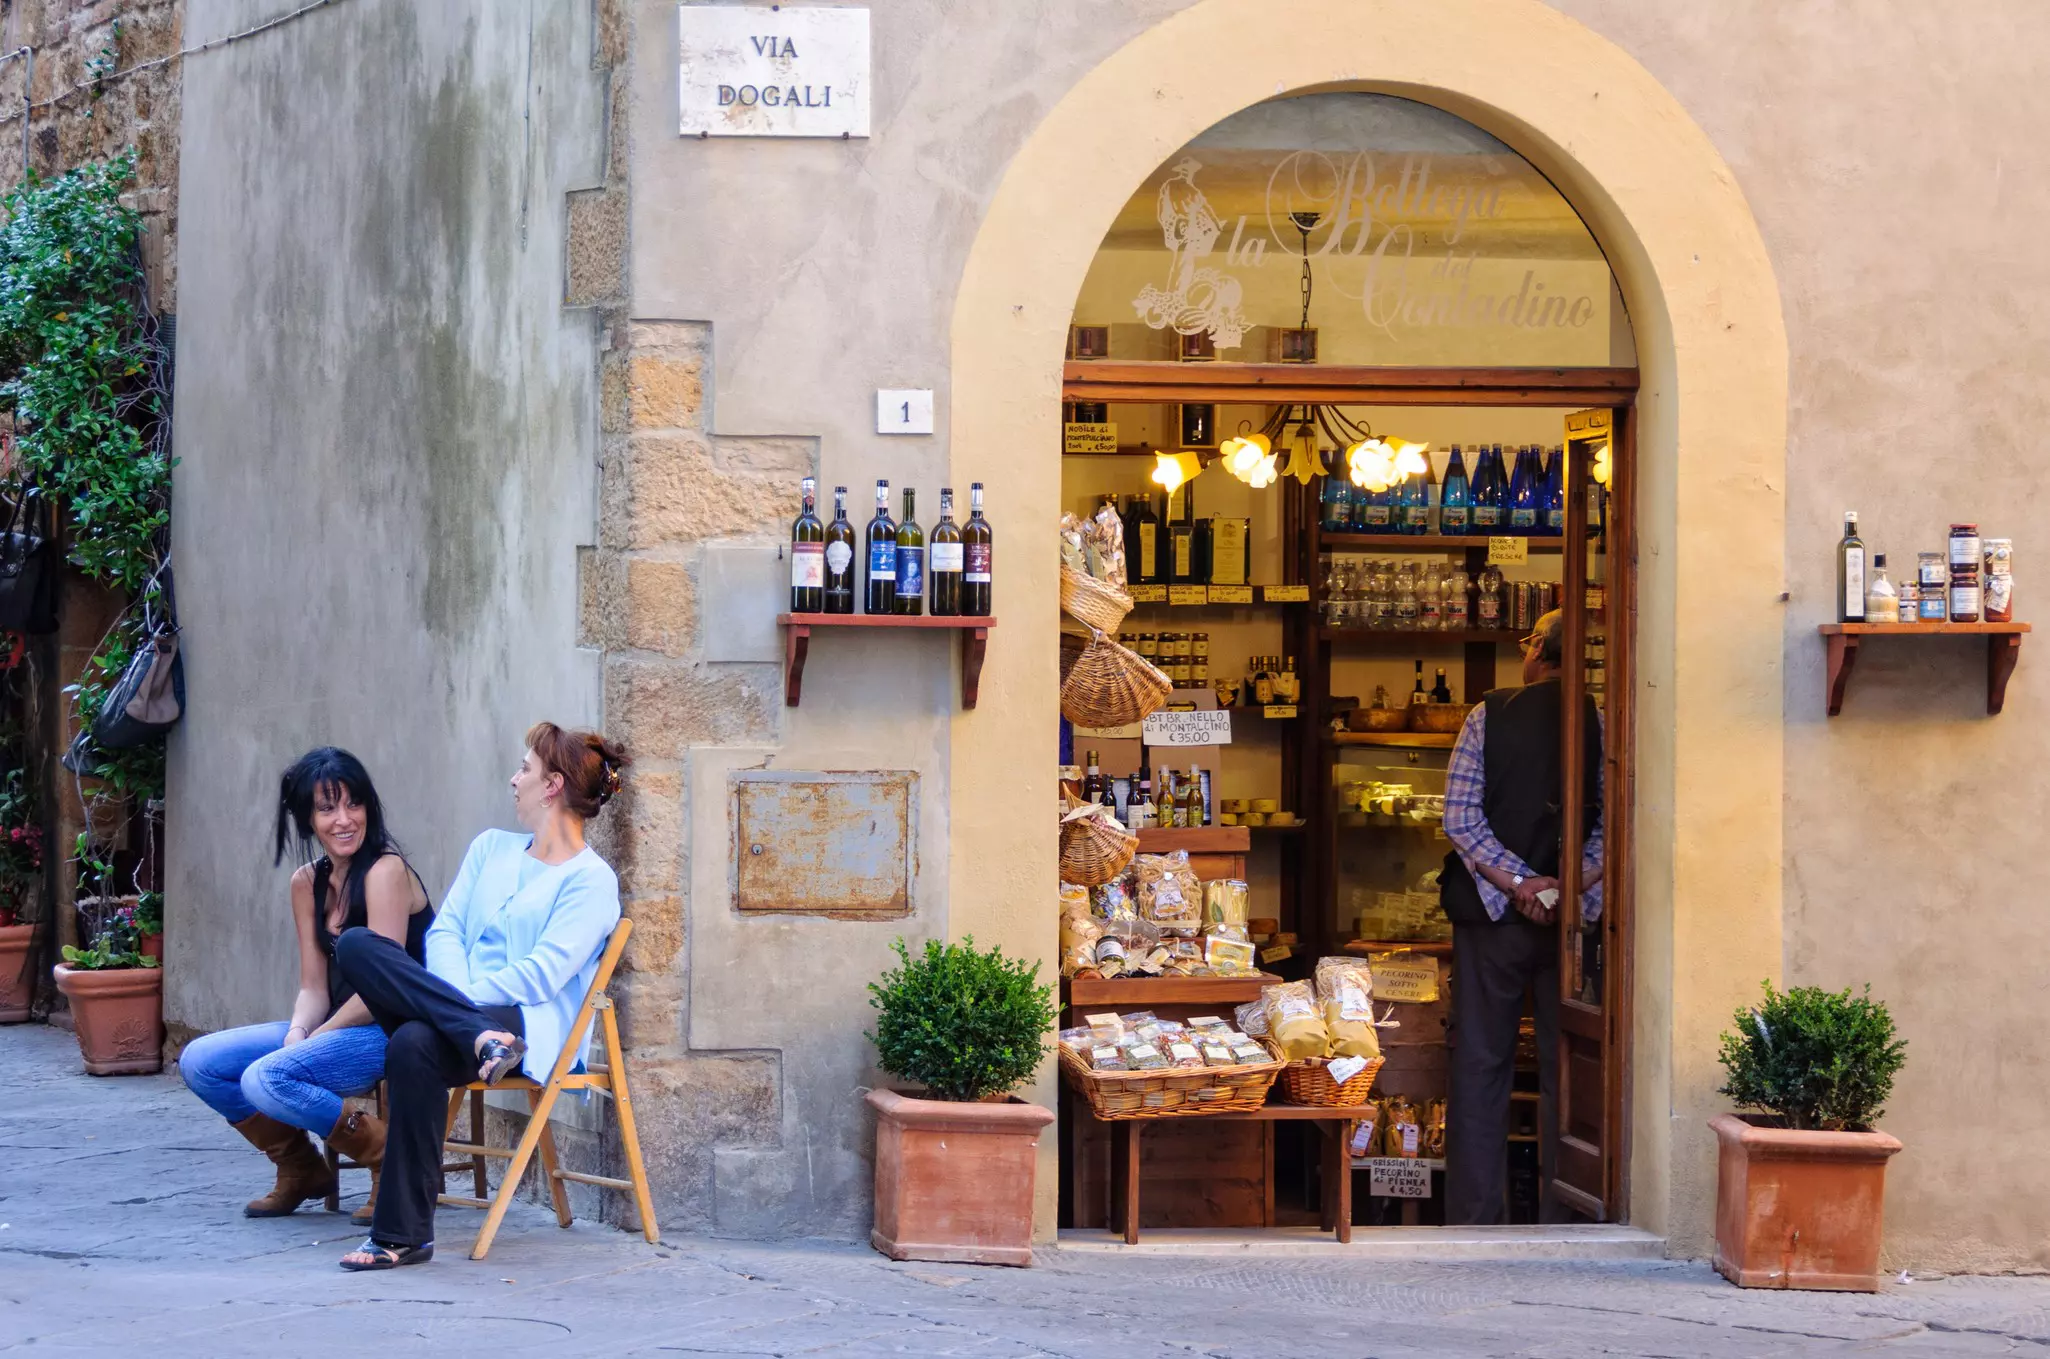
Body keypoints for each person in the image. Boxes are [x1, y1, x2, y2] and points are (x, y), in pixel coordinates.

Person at [329, 722, 627, 1271]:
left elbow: (540, 977)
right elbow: (444, 933)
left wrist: (446, 1003)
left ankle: (399, 1235)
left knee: (414, 1041)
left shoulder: (591, 881)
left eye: (525, 770)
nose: (514, 780)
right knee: (356, 946)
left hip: (523, 1022)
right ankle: (477, 1038)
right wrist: (460, 1008)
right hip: (482, 1028)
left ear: (553, 785)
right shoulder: (490, 847)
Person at [179, 749, 433, 1223]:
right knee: (201, 1062)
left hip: (395, 1031)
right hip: (334, 1029)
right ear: (306, 818)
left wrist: (320, 1037)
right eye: (327, 808)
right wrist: (299, 1032)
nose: (344, 820)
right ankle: (301, 1169)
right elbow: (314, 985)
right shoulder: (305, 884)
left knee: (265, 1077)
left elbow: (386, 987)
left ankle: (390, 1163)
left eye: (354, 804)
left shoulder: (385, 872)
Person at [1438, 609, 1603, 1226]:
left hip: (1490, 918)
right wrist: (1566, 884)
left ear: (1540, 652)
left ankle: (1474, 1220)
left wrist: (1518, 882)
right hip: (1573, 927)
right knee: (1570, 1068)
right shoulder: (1603, 723)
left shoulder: (1490, 715)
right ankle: (1568, 1214)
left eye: (1528, 640)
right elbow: (1614, 824)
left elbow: (1460, 818)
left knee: (1482, 1064)